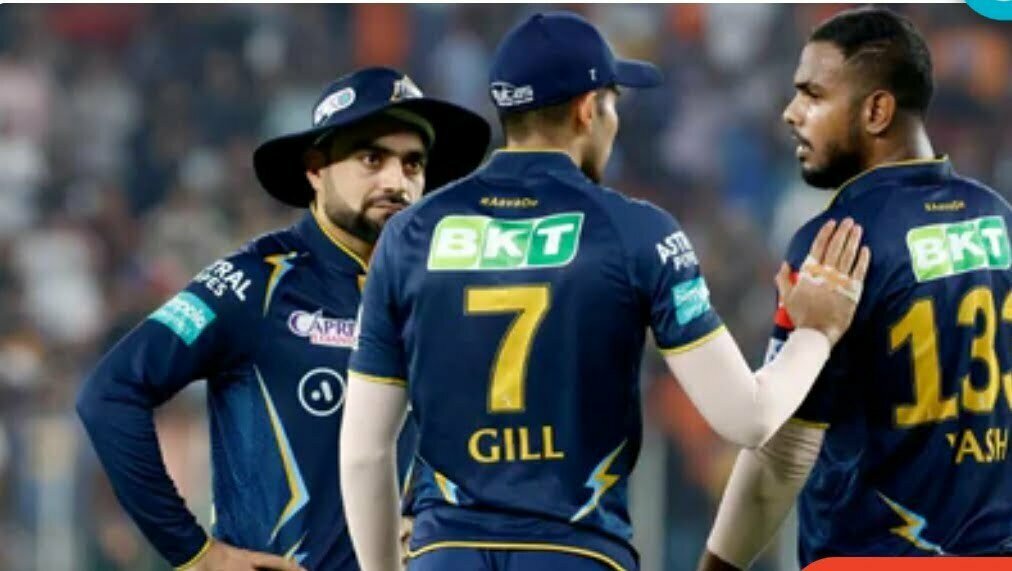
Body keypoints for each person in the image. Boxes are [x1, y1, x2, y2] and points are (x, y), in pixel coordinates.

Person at [341, 11, 869, 571]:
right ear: (588, 109)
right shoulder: (638, 232)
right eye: (613, 104)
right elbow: (748, 418)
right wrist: (816, 331)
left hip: (446, 555)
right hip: (578, 553)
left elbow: (365, 453)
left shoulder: (409, 235)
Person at [76, 67, 490, 571]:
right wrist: (196, 554)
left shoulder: (439, 297)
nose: (396, 181)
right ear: (315, 169)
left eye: (412, 164)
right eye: (371, 158)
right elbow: (109, 394)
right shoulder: (254, 282)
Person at [698, 8, 1012, 570]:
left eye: (813, 95)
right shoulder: (998, 217)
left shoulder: (837, 244)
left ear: (876, 111)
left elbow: (782, 457)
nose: (791, 113)